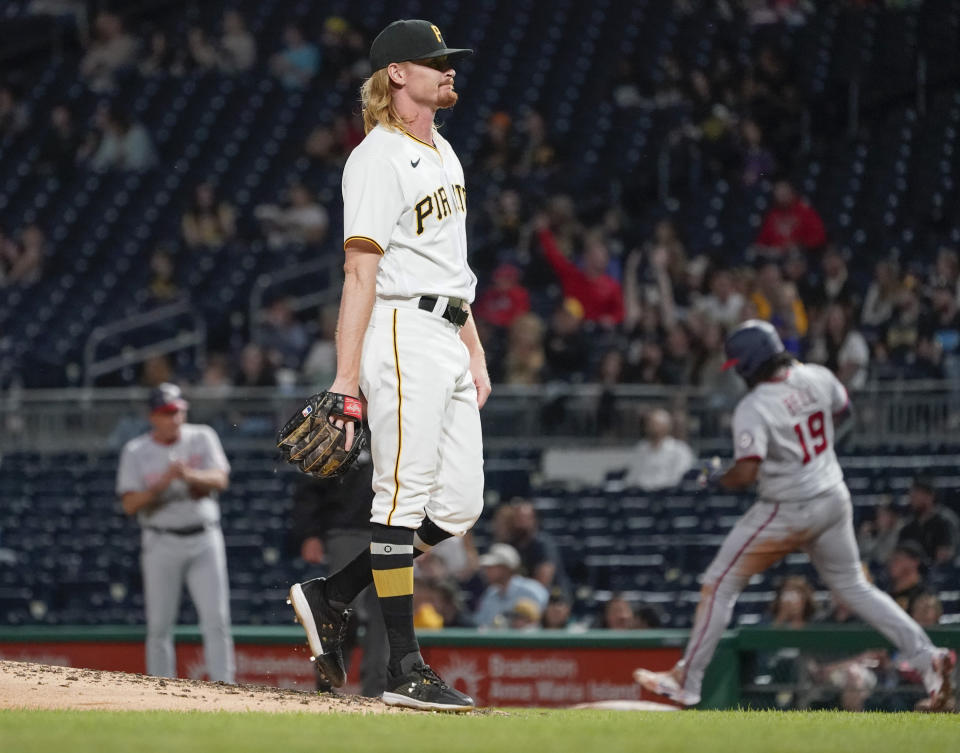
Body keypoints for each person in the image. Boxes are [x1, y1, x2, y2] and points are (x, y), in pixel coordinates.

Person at [286, 20, 487, 712]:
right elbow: (359, 270)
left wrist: (474, 347)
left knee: (459, 504)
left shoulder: (445, 151)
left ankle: (333, 594)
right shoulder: (375, 158)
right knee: (397, 502)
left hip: (448, 330)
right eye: (436, 62)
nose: (449, 71)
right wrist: (345, 381)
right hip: (399, 328)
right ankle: (404, 666)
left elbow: (454, 266)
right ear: (398, 73)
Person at [633, 320, 956, 712]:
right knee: (855, 587)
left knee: (719, 583)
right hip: (832, 494)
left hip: (789, 507)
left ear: (751, 365)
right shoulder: (818, 375)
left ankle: (687, 679)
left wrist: (717, 476)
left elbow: (747, 472)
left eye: (739, 364)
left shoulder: (753, 406)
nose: (737, 371)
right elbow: (844, 409)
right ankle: (929, 659)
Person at [115, 383, 234, 683]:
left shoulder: (202, 435)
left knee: (216, 619)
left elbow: (221, 479)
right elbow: (129, 503)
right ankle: (159, 687)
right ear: (153, 416)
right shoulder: (136, 450)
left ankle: (225, 685)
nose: (175, 418)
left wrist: (189, 475)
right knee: (159, 625)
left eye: (178, 411)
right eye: (167, 412)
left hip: (204, 538)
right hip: (160, 540)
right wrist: (163, 484)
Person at [289, 449, 387, 697]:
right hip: (347, 530)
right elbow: (311, 481)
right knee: (343, 610)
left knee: (388, 614)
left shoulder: (400, 420)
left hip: (393, 528)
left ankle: (377, 691)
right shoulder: (344, 424)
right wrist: (310, 532)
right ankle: (327, 683)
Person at [474, 543, 549, 627]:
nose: (486, 572)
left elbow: (541, 626)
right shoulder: (489, 594)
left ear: (506, 568)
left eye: (492, 567)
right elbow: (480, 625)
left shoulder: (532, 591)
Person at [624, 408, 696, 490]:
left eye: (656, 424)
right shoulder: (641, 448)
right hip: (640, 496)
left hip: (668, 496)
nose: (652, 428)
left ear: (667, 427)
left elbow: (679, 478)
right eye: (649, 424)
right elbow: (631, 477)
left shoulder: (680, 449)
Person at [898, 477, 959, 565]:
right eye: (911, 496)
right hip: (913, 574)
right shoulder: (909, 525)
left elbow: (945, 558)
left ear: (929, 496)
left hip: (940, 575)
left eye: (916, 495)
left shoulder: (944, 522)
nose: (912, 499)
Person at [887, 542, 931, 615]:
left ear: (914, 562)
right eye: (891, 559)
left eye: (897, 559)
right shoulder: (887, 594)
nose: (891, 563)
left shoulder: (924, 596)